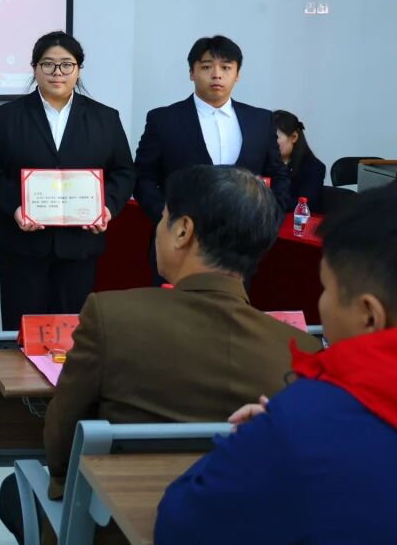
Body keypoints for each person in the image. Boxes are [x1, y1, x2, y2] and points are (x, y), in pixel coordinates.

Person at [0, 165, 320, 543]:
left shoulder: (111, 316)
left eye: (164, 218)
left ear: (184, 231)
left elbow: (61, 444)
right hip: (243, 532)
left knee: (13, 491)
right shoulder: (302, 351)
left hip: (116, 528)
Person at [155, 183, 397, 544]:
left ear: (369, 315)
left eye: (326, 288)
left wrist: (264, 439)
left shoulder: (308, 423)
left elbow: (182, 523)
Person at [0, 32, 135, 332]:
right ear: (34, 68)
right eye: (47, 64)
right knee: (22, 330)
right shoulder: (5, 117)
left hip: (80, 244)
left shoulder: (105, 118)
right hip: (22, 243)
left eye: (66, 64)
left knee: (71, 333)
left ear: (78, 69)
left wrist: (107, 208)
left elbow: (124, 172)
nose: (57, 72)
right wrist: (16, 206)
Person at [134, 35, 290, 279]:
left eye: (226, 68)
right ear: (192, 72)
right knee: (171, 303)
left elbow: (278, 174)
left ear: (237, 74)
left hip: (238, 246)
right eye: (207, 67)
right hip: (179, 242)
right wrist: (167, 216)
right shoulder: (164, 119)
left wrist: (270, 219)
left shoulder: (261, 120)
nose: (217, 75)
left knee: (228, 303)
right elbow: (142, 175)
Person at [272, 109, 326, 212]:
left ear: (294, 137)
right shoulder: (263, 162)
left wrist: (265, 202)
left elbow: (305, 205)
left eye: (275, 137)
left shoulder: (313, 167)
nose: (269, 142)